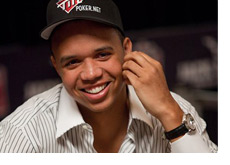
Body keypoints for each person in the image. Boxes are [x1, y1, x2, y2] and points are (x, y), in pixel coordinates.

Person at [0, 0, 217, 153]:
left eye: (103, 55)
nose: (91, 74)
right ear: (56, 66)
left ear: (126, 50)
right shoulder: (23, 132)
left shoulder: (175, 109)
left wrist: (171, 115)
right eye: (73, 62)